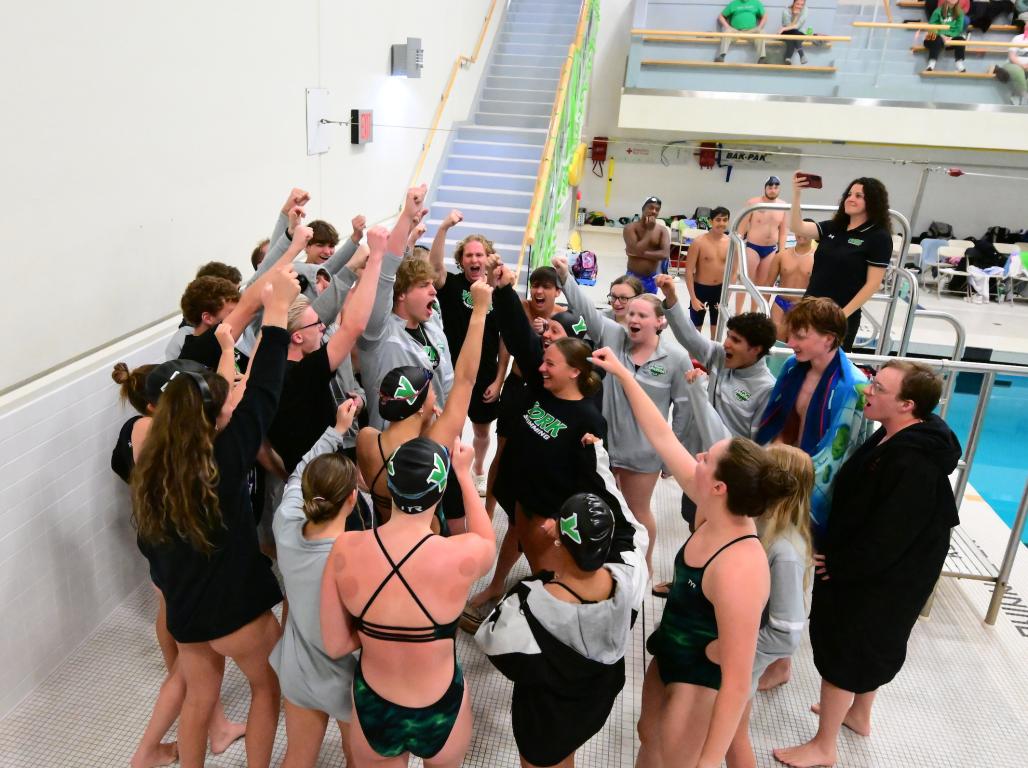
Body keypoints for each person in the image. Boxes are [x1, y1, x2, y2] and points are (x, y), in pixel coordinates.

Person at [588, 347, 796, 768]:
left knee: (672, 759)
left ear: (721, 487)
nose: (696, 457)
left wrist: (711, 759)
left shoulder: (741, 566)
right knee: (649, 740)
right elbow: (663, 437)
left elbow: (738, 683)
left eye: (706, 458)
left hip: (701, 678)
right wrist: (625, 376)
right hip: (669, 651)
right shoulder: (710, 500)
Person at [132, 262, 300, 768]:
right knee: (267, 687)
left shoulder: (151, 464)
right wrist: (275, 315)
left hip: (184, 610)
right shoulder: (223, 461)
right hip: (233, 611)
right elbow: (266, 392)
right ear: (213, 412)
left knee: (199, 697)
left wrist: (228, 354)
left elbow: (214, 403)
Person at [774, 362, 960, 768]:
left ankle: (824, 747)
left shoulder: (914, 464)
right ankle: (858, 714)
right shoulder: (893, 437)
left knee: (848, 647)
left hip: (879, 576)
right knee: (863, 643)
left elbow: (888, 538)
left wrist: (839, 566)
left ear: (908, 405)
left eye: (878, 387)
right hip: (874, 566)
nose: (866, 391)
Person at [319, 437, 496, 767]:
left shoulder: (344, 549)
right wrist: (463, 472)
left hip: (375, 706)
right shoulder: (460, 556)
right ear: (439, 492)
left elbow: (335, 644)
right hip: (440, 708)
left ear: (390, 484)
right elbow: (486, 539)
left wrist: (381, 628)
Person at [475, 487, 649, 768]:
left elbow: (489, 639)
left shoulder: (531, 605)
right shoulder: (628, 581)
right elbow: (631, 527)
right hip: (593, 705)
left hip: (546, 718)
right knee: (566, 756)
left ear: (558, 538)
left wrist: (538, 582)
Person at [554, 256, 693, 573]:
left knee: (638, 511)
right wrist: (565, 277)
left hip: (644, 452)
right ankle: (608, 560)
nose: (633, 318)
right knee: (604, 506)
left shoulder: (675, 358)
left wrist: (673, 457)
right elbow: (586, 310)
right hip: (604, 445)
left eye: (642, 314)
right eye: (630, 313)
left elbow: (684, 412)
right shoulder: (613, 338)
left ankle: (644, 567)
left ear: (660, 322)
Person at [356, 279, 491, 531]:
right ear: (418, 406)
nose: (435, 395)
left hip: (382, 534)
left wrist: (427, 421)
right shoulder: (430, 449)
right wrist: (480, 311)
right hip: (424, 544)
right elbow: (465, 379)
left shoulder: (367, 440)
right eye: (430, 390)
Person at [270, 402, 360, 768]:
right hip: (347, 678)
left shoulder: (285, 521)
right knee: (358, 760)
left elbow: (299, 471)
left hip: (298, 669)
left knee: (298, 758)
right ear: (353, 499)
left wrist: (335, 431)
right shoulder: (356, 559)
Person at [265, 226, 385, 475]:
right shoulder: (303, 375)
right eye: (316, 324)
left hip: (300, 477)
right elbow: (353, 327)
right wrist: (376, 259)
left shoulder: (266, 369)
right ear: (296, 336)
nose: (323, 327)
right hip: (322, 479)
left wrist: (286, 474)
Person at [755, 297, 870, 546]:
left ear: (828, 339)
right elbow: (777, 423)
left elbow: (835, 458)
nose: (790, 342)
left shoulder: (852, 387)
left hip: (806, 489)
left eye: (800, 337)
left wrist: (783, 487)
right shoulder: (792, 366)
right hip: (780, 474)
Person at [726, 444, 813, 768]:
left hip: (737, 663)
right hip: (734, 659)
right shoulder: (759, 526)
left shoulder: (785, 550)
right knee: (732, 737)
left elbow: (787, 633)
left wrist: (730, 650)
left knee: (732, 737)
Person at [358, 186, 457, 429]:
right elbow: (387, 275)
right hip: (393, 450)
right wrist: (405, 218)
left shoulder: (431, 324)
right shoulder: (378, 335)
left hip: (434, 436)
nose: (434, 291)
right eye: (424, 285)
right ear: (401, 294)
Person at [431, 211, 509, 495]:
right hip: (452, 372)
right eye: (469, 255)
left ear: (489, 258)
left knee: (481, 430)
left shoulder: (498, 293)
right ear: (461, 260)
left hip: (485, 373)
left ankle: (477, 468)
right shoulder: (450, 285)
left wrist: (499, 379)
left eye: (480, 255)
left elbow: (505, 341)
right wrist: (443, 228)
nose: (474, 260)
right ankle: (451, 470)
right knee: (450, 427)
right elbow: (434, 268)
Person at [657, 275, 777, 442]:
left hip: (726, 464)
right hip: (695, 456)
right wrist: (670, 296)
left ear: (756, 349)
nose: (726, 343)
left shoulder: (766, 390)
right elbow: (689, 335)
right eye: (728, 336)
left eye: (736, 340)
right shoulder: (719, 356)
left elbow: (757, 446)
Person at [790, 173, 893, 351]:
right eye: (849, 194)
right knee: (801, 362)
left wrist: (841, 315)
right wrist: (796, 193)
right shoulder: (833, 227)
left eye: (858, 196)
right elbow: (797, 227)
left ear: (873, 202)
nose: (850, 199)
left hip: (841, 316)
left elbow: (873, 284)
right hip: (810, 309)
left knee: (832, 372)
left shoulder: (878, 237)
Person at [684, 206, 732, 339]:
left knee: (716, 332)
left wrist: (726, 298)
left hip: (719, 291)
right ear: (711, 221)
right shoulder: (699, 242)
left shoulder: (730, 243)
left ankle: (712, 359)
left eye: (725, 220)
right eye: (718, 220)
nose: (721, 223)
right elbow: (688, 272)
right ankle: (691, 359)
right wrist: (693, 298)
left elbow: (733, 273)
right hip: (700, 290)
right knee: (695, 331)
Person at [739, 176, 787, 292]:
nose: (773, 190)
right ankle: (739, 310)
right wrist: (737, 248)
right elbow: (741, 228)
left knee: (762, 285)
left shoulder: (783, 206)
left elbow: (783, 232)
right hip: (752, 247)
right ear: (765, 188)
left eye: (776, 187)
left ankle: (755, 310)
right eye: (770, 187)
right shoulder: (753, 203)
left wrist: (782, 251)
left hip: (770, 249)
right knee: (745, 282)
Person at [765, 232, 816, 339]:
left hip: (803, 306)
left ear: (813, 235)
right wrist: (763, 308)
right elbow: (768, 284)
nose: (801, 234)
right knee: (776, 340)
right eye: (799, 230)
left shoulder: (818, 258)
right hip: (780, 303)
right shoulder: (782, 255)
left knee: (797, 342)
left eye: (805, 231)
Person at [623, 196, 670, 294]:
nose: (654, 211)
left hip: (652, 279)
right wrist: (649, 231)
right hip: (632, 277)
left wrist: (640, 253)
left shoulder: (662, 230)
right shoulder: (630, 228)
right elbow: (636, 250)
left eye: (657, 209)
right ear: (643, 209)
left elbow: (665, 254)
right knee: (630, 306)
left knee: (648, 307)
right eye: (651, 207)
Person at [924, 0, 968, 72]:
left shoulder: (960, 12)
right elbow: (932, 27)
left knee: (961, 40)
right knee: (937, 39)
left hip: (950, 37)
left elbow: (958, 29)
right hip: (936, 36)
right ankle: (931, 63)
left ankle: (959, 63)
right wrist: (941, 35)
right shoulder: (938, 11)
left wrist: (951, 37)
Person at [991, 29, 1028, 105]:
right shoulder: (1018, 38)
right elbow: (1012, 57)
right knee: (1018, 72)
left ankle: (1020, 98)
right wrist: (1022, 65)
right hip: (1012, 64)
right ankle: (1021, 97)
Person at [780, 0, 810, 65]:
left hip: (799, 32)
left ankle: (787, 58)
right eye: (797, 4)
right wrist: (795, 17)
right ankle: (801, 54)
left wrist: (783, 28)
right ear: (793, 3)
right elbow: (788, 26)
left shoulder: (805, 10)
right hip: (787, 32)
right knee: (793, 33)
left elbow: (798, 26)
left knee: (794, 34)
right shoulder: (786, 11)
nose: (799, 6)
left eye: (802, 4)